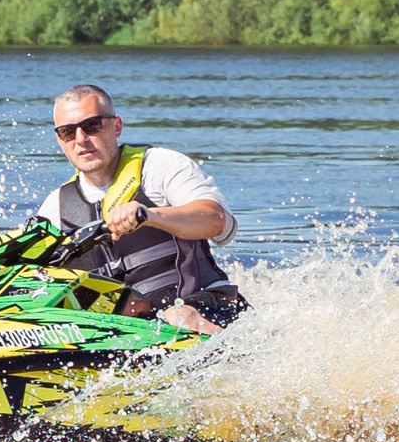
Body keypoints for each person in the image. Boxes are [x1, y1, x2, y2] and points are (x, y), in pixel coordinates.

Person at [38, 83, 247, 332]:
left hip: (204, 306)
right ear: (60, 140)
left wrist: (150, 215)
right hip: (129, 331)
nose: (81, 139)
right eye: (68, 132)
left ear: (116, 127)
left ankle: (241, 362)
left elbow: (217, 221)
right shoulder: (55, 207)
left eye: (92, 126)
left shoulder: (160, 166)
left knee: (178, 317)